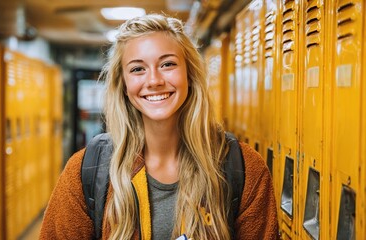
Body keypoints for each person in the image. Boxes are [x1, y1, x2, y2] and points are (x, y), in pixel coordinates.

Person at [39, 14, 278, 240]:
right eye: (137, 69)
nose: (154, 80)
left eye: (167, 64)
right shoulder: (87, 171)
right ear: (123, 84)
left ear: (190, 75)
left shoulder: (242, 168)